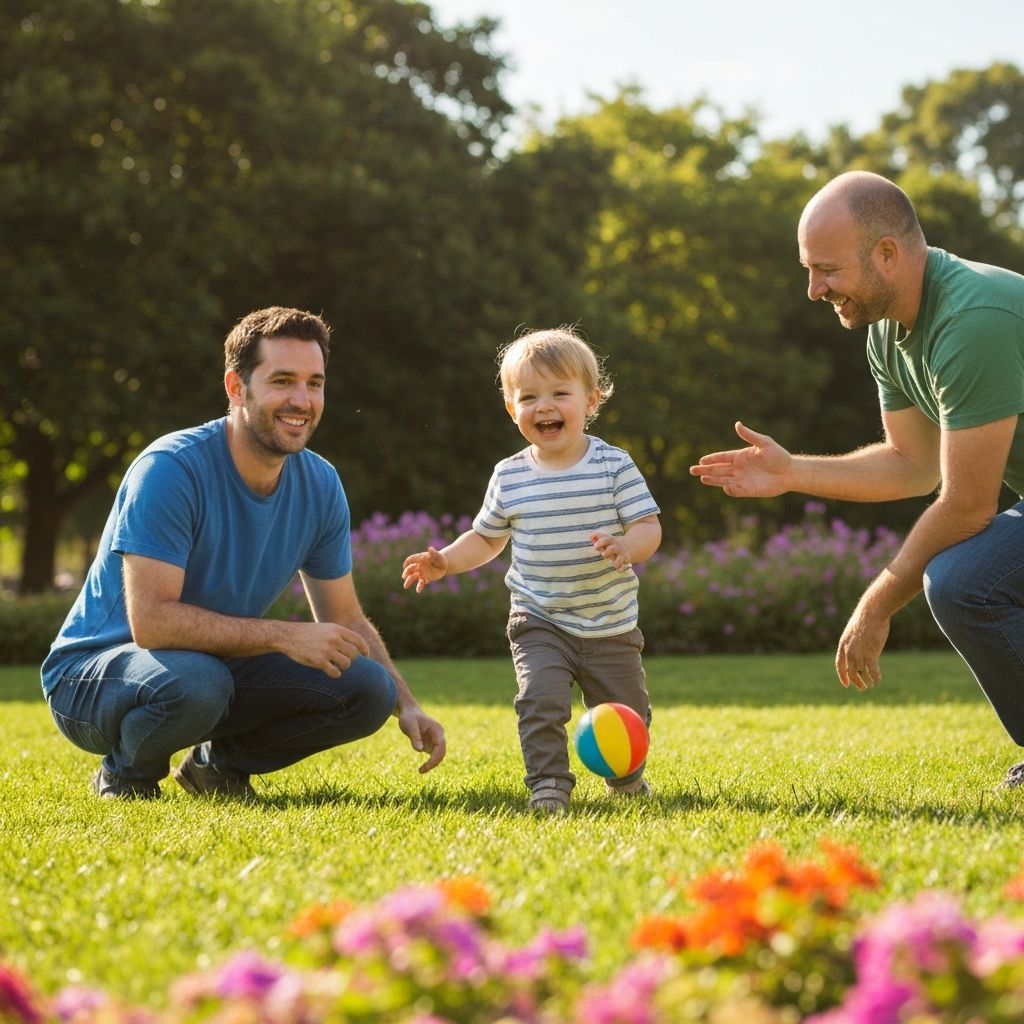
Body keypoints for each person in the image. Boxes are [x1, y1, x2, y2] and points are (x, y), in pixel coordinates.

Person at [690, 170, 1024, 788]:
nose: (814, 289)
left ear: (887, 254)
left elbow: (968, 506)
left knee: (962, 579)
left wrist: (875, 605)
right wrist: (792, 472)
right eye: (808, 271)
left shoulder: (973, 318)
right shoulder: (887, 334)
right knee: (963, 578)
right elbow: (912, 464)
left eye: (826, 270)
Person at [42, 306, 445, 799]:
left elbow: (346, 618)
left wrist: (407, 704)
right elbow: (152, 622)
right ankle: (126, 772)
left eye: (314, 383)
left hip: (208, 667)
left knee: (366, 688)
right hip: (93, 674)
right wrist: (283, 635)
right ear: (236, 388)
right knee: (200, 682)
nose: (302, 400)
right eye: (282, 381)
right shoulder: (171, 469)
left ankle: (213, 767)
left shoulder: (319, 483)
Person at [401, 327, 662, 812]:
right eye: (529, 397)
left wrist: (628, 545)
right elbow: (486, 538)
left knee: (629, 712)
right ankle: (549, 784)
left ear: (590, 400)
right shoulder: (510, 475)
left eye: (560, 393)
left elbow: (649, 527)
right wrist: (446, 562)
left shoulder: (613, 465)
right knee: (539, 700)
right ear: (511, 408)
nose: (544, 406)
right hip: (539, 617)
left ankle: (626, 781)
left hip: (610, 621)